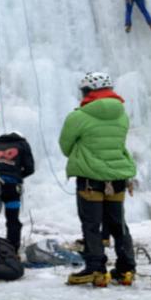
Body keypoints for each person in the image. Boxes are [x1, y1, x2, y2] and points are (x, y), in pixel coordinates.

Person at [59, 71, 136, 286]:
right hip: (117, 177)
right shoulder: (122, 114)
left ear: (87, 91)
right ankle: (126, 269)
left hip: (90, 178)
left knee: (92, 224)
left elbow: (66, 146)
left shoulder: (78, 116)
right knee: (118, 222)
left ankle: (96, 269)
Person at [0, 131, 35, 254]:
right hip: (12, 187)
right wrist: (17, 176)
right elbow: (30, 168)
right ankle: (12, 251)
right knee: (12, 219)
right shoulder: (22, 145)